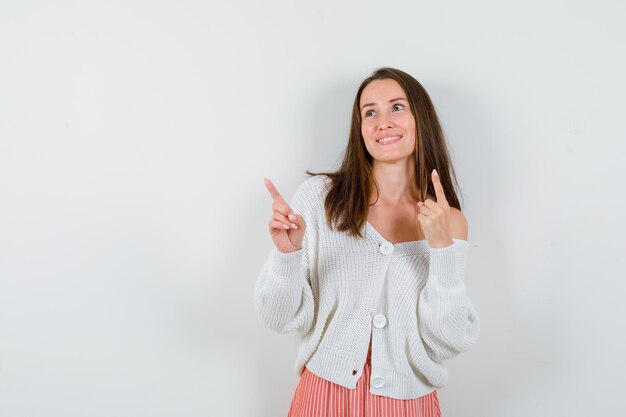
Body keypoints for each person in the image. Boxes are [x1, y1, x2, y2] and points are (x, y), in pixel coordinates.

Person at [254, 67, 480, 417]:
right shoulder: (320, 200)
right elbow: (278, 318)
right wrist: (287, 255)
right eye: (370, 112)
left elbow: (449, 339)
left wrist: (442, 252)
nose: (383, 122)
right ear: (360, 129)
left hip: (409, 404)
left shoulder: (448, 220)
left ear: (421, 118)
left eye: (397, 107)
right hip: (324, 396)